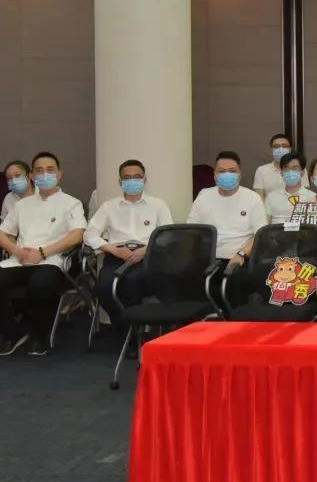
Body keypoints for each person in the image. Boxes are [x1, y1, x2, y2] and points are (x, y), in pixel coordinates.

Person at [0, 152, 87, 355]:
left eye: (50, 170)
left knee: (41, 284)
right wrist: (17, 251)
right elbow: (2, 233)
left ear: (59, 174)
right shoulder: (21, 205)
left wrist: (42, 252)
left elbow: (77, 235)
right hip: (19, 260)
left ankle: (40, 336)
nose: (45, 174)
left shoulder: (71, 203)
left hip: (51, 260)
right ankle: (12, 333)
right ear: (32, 176)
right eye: (39, 171)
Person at [84, 159, 173, 345]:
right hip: (117, 255)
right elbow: (89, 234)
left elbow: (167, 236)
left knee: (131, 284)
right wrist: (114, 250)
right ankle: (127, 332)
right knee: (103, 289)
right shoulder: (109, 206)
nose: (132, 180)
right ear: (120, 181)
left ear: (144, 179)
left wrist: (146, 251)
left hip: (147, 256)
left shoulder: (158, 205)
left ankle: (136, 335)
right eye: (127, 177)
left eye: (137, 177)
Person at [188, 151, 264, 267]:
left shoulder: (252, 198)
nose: (227, 175)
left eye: (232, 171)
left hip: (241, 259)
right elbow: (192, 230)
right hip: (208, 258)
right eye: (221, 171)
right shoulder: (204, 195)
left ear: (240, 174)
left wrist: (241, 254)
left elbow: (260, 234)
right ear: (214, 174)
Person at [264, 153, 315, 224]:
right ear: (281, 173)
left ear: (302, 172)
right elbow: (265, 224)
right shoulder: (271, 197)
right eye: (286, 168)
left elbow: (314, 225)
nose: (290, 171)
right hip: (276, 231)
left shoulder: (312, 197)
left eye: (295, 168)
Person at [252, 133, 307, 198]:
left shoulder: (300, 169)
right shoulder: (261, 170)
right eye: (276, 146)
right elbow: (259, 196)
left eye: (284, 146)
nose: (281, 149)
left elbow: (305, 194)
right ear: (271, 149)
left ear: (290, 149)